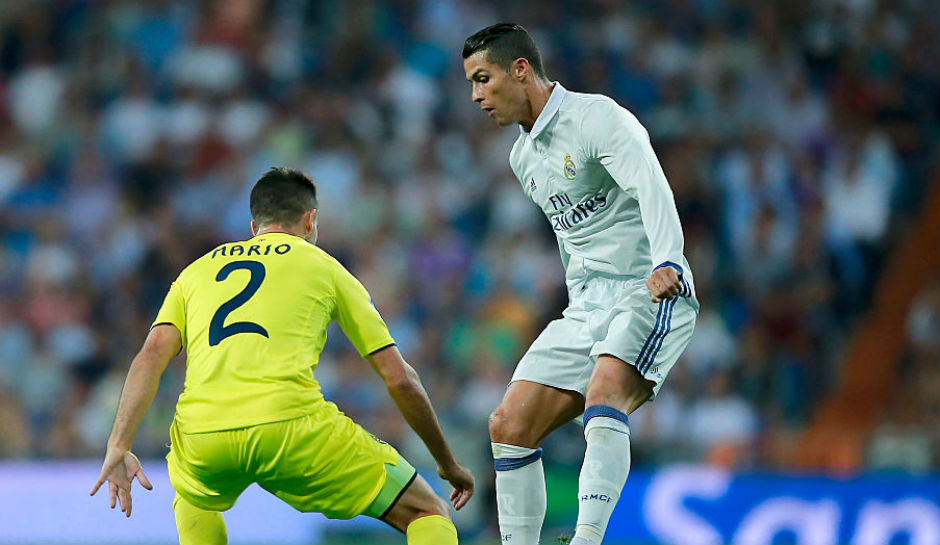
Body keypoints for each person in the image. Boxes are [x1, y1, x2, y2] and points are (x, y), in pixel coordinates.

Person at [90, 167, 474, 545]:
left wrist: (119, 445)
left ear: (254, 226)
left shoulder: (196, 271)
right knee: (427, 511)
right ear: (310, 221)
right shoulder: (325, 267)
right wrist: (447, 463)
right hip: (290, 427)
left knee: (193, 491)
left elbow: (150, 356)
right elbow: (399, 378)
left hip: (204, 433)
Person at [462, 24, 699, 545]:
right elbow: (570, 238)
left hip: (646, 287)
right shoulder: (522, 157)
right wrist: (578, 307)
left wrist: (668, 261)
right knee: (508, 425)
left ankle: (587, 539)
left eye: (482, 79)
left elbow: (651, 185)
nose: (476, 96)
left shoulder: (597, 118)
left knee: (604, 392)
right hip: (587, 306)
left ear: (519, 70)